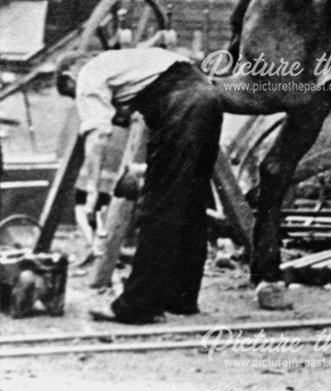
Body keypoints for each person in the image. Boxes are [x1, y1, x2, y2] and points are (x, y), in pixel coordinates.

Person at [56, 33, 222, 324]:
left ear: (69, 73)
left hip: (180, 108)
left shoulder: (87, 74)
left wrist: (93, 192)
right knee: (191, 203)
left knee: (157, 207)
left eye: (71, 93)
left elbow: (97, 139)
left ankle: (137, 306)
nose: (77, 99)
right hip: (207, 98)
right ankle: (181, 298)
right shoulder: (123, 60)